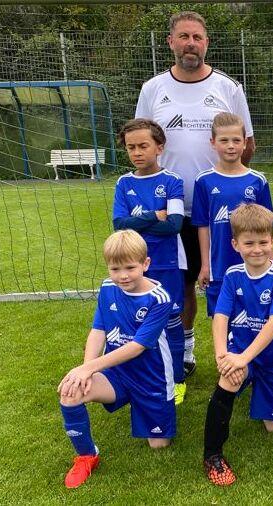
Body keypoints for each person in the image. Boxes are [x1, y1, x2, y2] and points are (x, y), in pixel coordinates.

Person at [136, 11, 256, 379]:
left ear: (207, 43)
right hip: (168, 209)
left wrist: (225, 179)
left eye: (198, 37)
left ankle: (241, 348)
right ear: (171, 42)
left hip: (222, 210)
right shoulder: (153, 89)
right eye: (184, 36)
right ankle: (185, 349)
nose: (191, 43)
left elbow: (247, 143)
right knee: (180, 283)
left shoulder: (227, 88)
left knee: (237, 276)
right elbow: (141, 138)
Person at [57, 230, 175, 488]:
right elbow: (98, 330)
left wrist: (89, 367)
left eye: (131, 267)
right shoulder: (108, 288)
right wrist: (86, 370)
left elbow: (137, 347)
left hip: (152, 378)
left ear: (146, 264)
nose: (123, 275)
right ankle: (87, 455)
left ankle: (153, 406)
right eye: (115, 268)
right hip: (117, 374)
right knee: (70, 391)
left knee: (158, 444)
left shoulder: (160, 298)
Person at [202, 203, 273, 486]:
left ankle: (258, 389)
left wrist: (244, 358)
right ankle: (212, 455)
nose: (256, 249)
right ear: (235, 243)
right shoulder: (232, 275)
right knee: (229, 379)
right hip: (240, 354)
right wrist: (224, 355)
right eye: (249, 243)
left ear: (272, 241)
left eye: (263, 242)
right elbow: (220, 316)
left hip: (271, 358)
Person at [111, 119, 189, 403]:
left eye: (143, 145)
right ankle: (137, 375)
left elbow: (175, 225)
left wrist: (138, 223)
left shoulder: (173, 181)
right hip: (132, 263)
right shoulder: (124, 183)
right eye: (131, 147)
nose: (137, 152)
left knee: (171, 319)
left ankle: (178, 378)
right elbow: (119, 224)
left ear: (159, 147)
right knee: (134, 319)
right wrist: (153, 216)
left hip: (167, 262)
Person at [192, 113, 273, 320]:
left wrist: (272, 262)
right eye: (224, 140)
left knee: (255, 317)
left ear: (245, 143)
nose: (230, 146)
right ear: (213, 143)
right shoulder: (204, 181)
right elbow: (203, 226)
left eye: (236, 140)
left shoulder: (257, 180)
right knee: (222, 318)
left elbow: (268, 226)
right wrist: (205, 265)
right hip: (219, 266)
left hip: (254, 263)